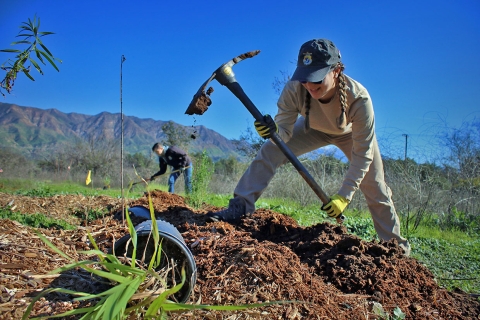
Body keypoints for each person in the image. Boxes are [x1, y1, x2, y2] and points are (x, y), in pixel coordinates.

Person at [207, 38, 411, 256]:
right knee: (271, 148)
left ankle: (396, 247)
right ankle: (241, 205)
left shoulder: (359, 99)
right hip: (311, 127)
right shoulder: (294, 88)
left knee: (375, 185)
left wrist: (344, 195)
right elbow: (283, 131)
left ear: (337, 70)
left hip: (350, 134)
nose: (310, 86)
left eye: (317, 79)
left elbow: (363, 154)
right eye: (305, 78)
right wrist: (272, 131)